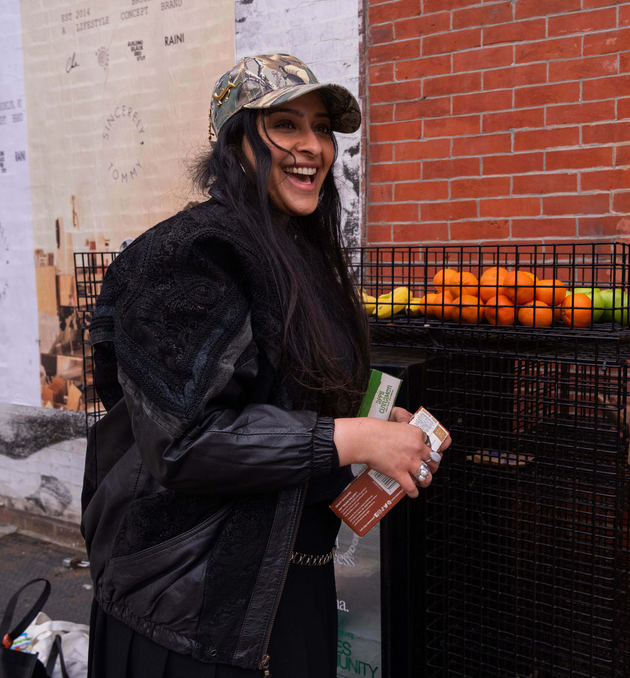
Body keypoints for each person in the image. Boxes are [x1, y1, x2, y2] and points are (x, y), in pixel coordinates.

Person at [80, 53, 448, 677]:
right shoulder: (192, 253)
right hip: (190, 612)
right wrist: (354, 436)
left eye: (323, 128)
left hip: (281, 584)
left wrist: (375, 427)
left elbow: (284, 396)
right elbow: (184, 441)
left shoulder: (292, 252)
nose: (313, 147)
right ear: (237, 143)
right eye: (285, 124)